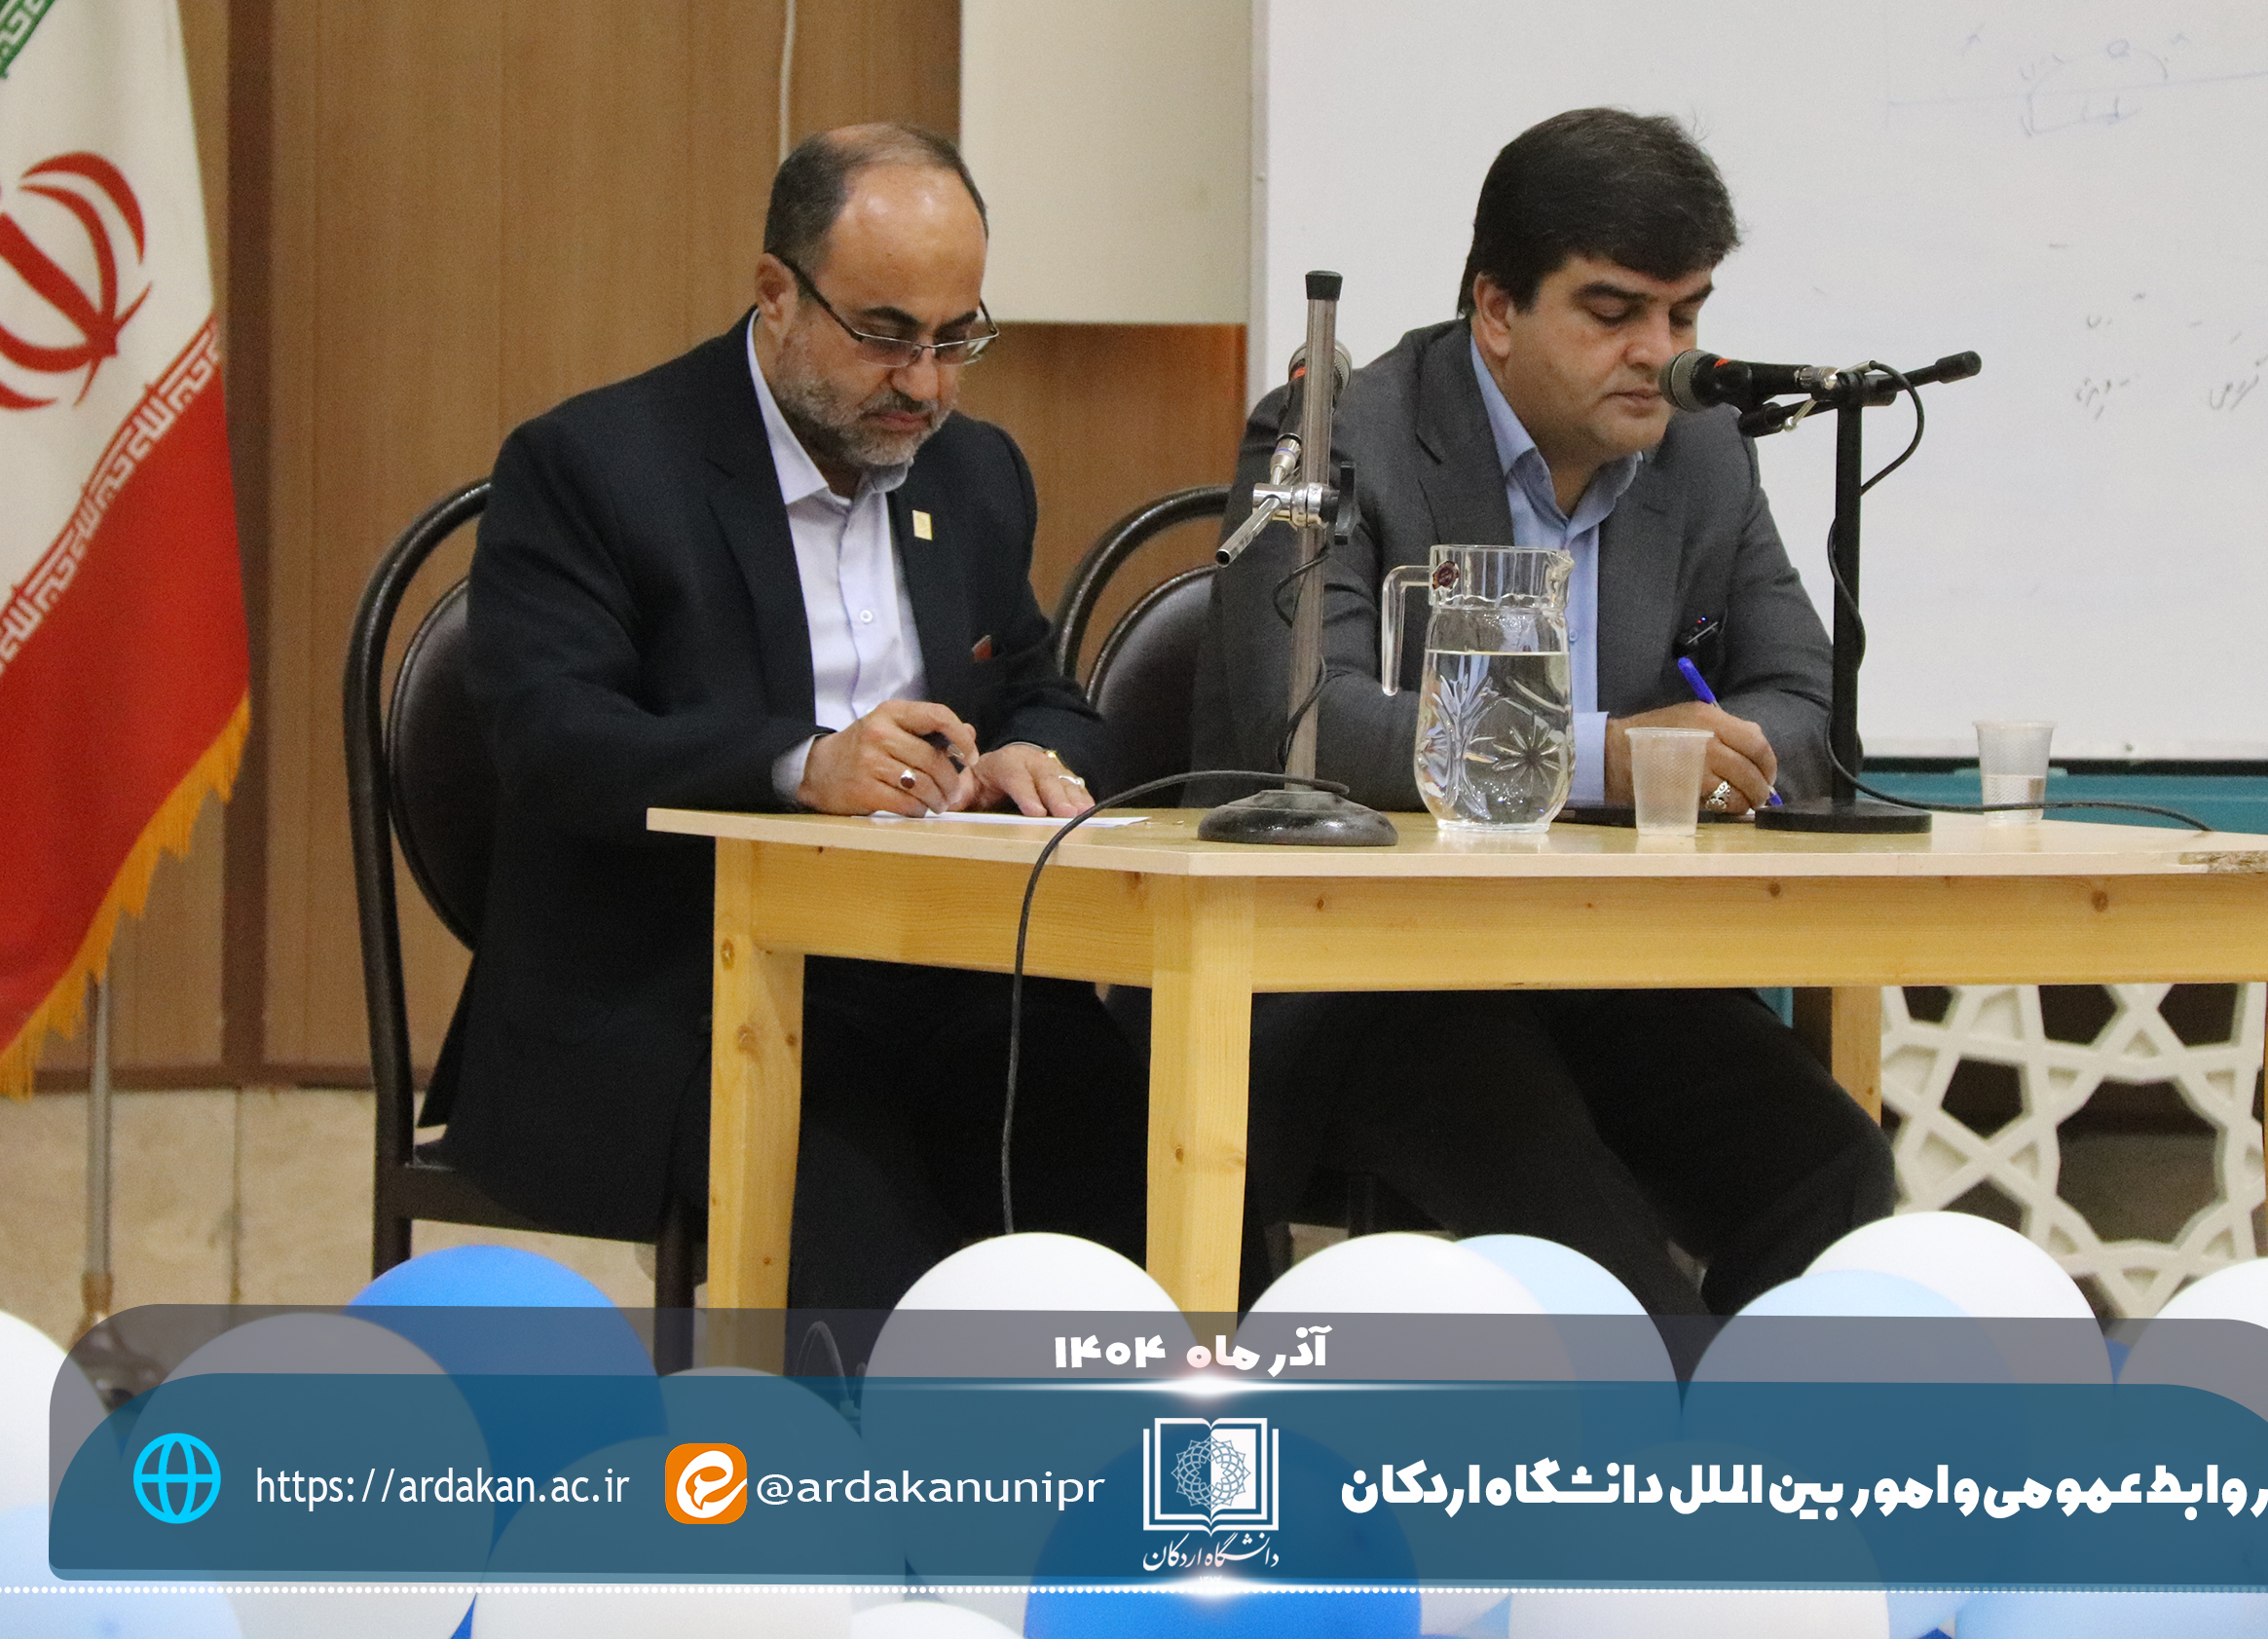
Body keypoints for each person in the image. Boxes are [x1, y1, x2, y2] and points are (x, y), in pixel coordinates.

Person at [1193, 106, 1896, 1315]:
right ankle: (1659, 1431)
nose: (1659, 356)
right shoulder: (1336, 434)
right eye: (1613, 313)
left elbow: (1808, 704)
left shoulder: (1704, 450)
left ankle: (1769, 1423)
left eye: (1685, 316)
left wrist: (1721, 755)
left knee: (1830, 1170)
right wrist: (1609, 760)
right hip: (1369, 980)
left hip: (1599, 963)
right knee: (1595, 1246)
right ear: (1496, 308)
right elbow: (1308, 727)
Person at [432, 124, 1145, 1309]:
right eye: (885, 336)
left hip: (950, 975)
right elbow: (551, 741)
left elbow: (1037, 687)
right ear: (777, 292)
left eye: (956, 338)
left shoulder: (973, 473)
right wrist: (800, 767)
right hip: (696, 993)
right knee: (877, 1288)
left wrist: (1032, 752)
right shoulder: (595, 465)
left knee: (1160, 1192)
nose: (925, 384)